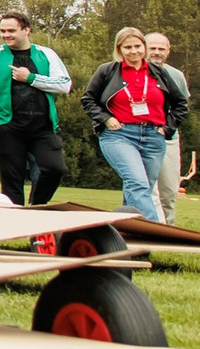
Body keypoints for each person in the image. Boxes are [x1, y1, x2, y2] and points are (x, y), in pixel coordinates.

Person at [80, 26, 189, 222]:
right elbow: (88, 100)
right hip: (119, 135)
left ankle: (127, 228)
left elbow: (181, 104)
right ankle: (153, 228)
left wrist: (167, 128)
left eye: (137, 46)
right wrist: (105, 118)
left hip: (153, 136)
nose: (133, 51)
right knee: (137, 182)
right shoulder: (107, 71)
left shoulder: (158, 73)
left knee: (141, 187)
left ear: (144, 47)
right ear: (119, 49)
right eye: (128, 47)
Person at [0, 11, 76, 205]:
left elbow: (64, 84)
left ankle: (36, 205)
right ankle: (15, 219)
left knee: (54, 169)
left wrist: (30, 78)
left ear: (26, 30)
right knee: (12, 181)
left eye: (11, 30)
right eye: (3, 31)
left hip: (44, 126)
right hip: (9, 126)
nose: (6, 35)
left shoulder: (46, 54)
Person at [146, 32, 194, 208]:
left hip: (167, 138)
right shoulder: (128, 73)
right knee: (141, 189)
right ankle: (134, 223)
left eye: (161, 49)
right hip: (137, 137)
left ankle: (167, 225)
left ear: (168, 51)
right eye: (152, 48)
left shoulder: (176, 75)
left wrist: (167, 128)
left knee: (168, 191)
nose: (156, 52)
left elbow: (181, 106)